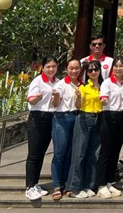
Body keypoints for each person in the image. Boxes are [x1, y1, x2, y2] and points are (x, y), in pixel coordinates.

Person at [67, 60, 103, 198]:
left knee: (94, 154)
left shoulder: (103, 86)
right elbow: (78, 106)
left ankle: (89, 185)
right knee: (79, 153)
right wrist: (78, 97)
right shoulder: (83, 87)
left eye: (95, 69)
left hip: (99, 118)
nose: (93, 72)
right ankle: (74, 187)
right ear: (87, 73)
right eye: (90, 70)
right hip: (85, 118)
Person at [24, 56, 58, 201]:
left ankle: (35, 183)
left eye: (53, 66)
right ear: (42, 68)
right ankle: (29, 187)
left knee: (41, 152)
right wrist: (37, 98)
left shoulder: (57, 82)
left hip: (51, 117)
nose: (51, 69)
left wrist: (56, 97)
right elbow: (31, 100)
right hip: (37, 117)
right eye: (48, 67)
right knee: (34, 153)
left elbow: (56, 104)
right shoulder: (37, 81)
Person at [96, 57, 123, 199]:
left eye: (121, 66)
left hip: (122, 117)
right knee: (106, 151)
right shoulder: (107, 83)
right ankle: (101, 184)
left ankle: (109, 181)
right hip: (109, 116)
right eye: (116, 66)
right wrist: (104, 100)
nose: (118, 68)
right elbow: (103, 98)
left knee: (115, 151)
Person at [50, 58, 81, 201]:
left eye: (77, 68)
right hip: (62, 119)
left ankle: (66, 185)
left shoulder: (81, 84)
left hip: (76, 117)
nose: (74, 71)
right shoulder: (61, 85)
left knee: (70, 153)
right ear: (66, 69)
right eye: (71, 68)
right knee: (59, 153)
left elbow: (79, 105)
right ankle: (56, 185)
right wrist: (56, 97)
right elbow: (55, 104)